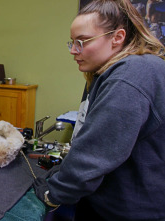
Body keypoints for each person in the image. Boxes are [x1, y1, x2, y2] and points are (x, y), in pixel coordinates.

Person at [34, 0, 165, 220]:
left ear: (117, 37)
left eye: (83, 41)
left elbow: (94, 154)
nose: (74, 50)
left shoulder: (130, 75)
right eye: (72, 42)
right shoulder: (129, 70)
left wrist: (53, 193)